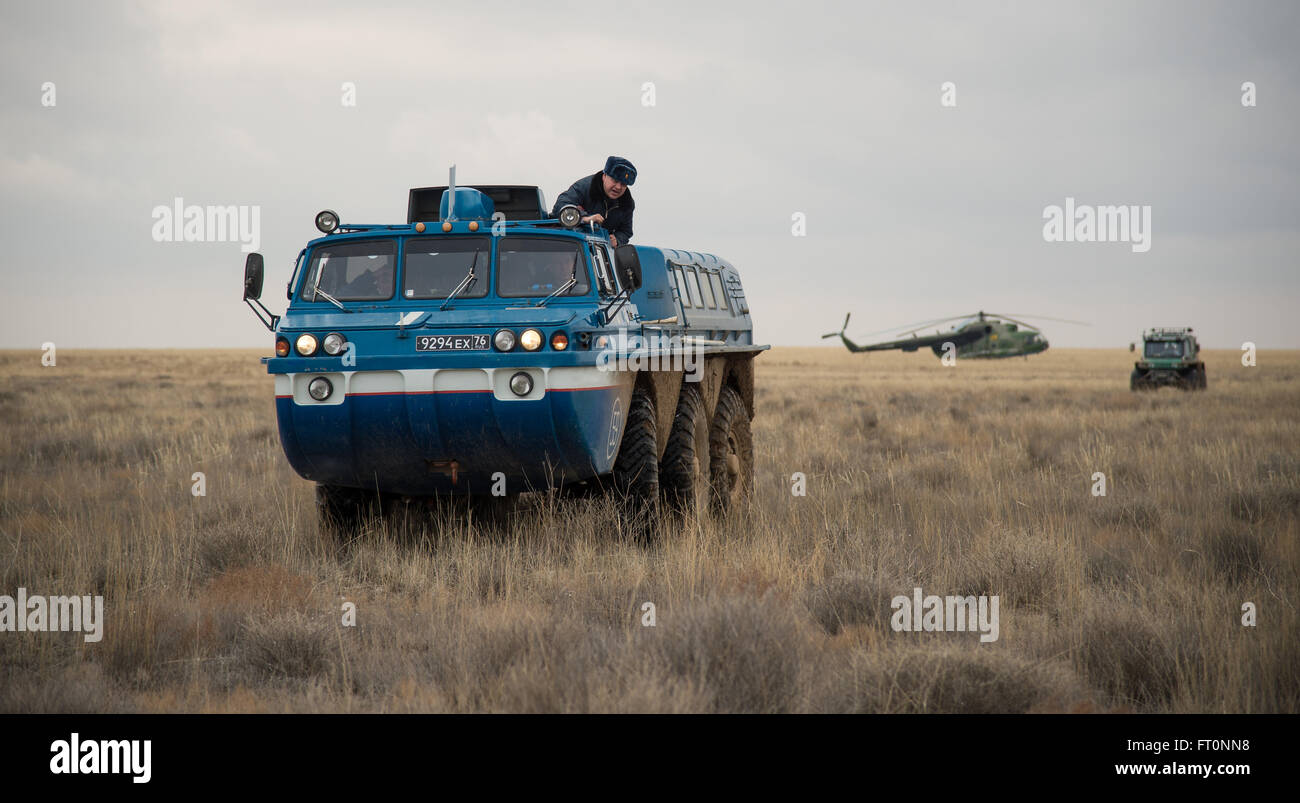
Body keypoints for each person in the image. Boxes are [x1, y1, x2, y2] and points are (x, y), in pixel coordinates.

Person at [552, 156, 637, 247]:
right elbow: (560, 206)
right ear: (604, 176)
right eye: (615, 181)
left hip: (599, 250)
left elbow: (626, 231)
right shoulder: (585, 187)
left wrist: (617, 240)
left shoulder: (627, 203)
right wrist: (584, 218)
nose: (618, 187)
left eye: (623, 184)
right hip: (568, 242)